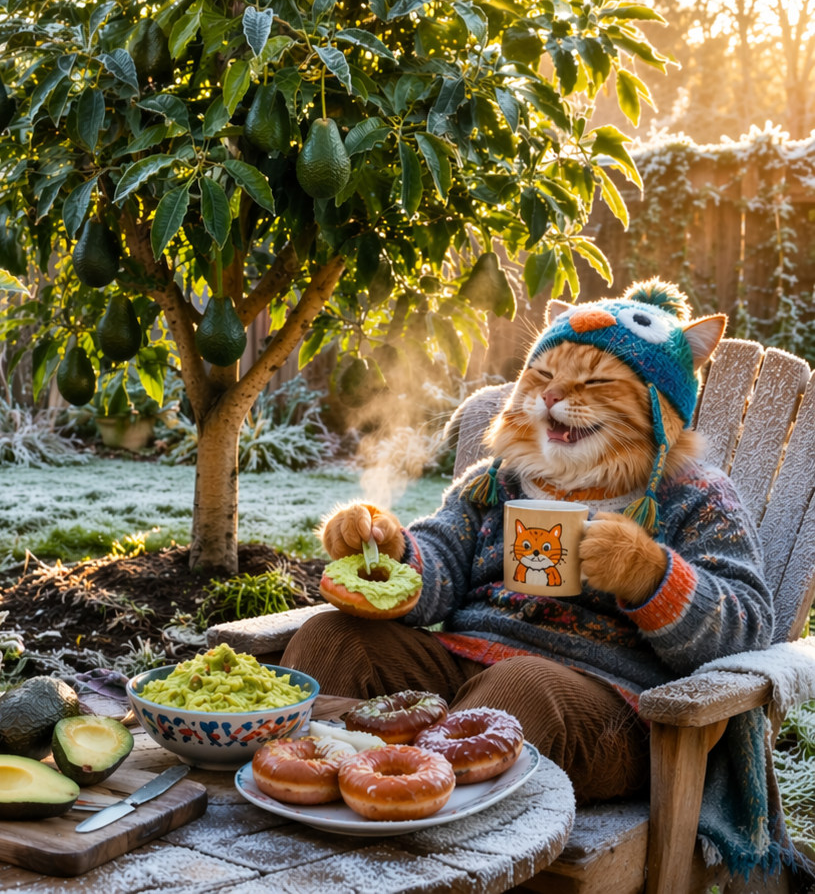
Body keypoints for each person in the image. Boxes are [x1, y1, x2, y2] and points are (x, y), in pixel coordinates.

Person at [287, 280, 770, 802]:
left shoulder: (694, 497)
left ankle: (413, 806)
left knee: (518, 688)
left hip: (600, 709)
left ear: (660, 412)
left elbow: (748, 631)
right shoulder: (497, 479)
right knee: (331, 638)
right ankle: (327, 785)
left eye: (597, 383)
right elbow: (442, 559)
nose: (555, 395)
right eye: (542, 375)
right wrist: (386, 550)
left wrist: (650, 573)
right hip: (458, 674)